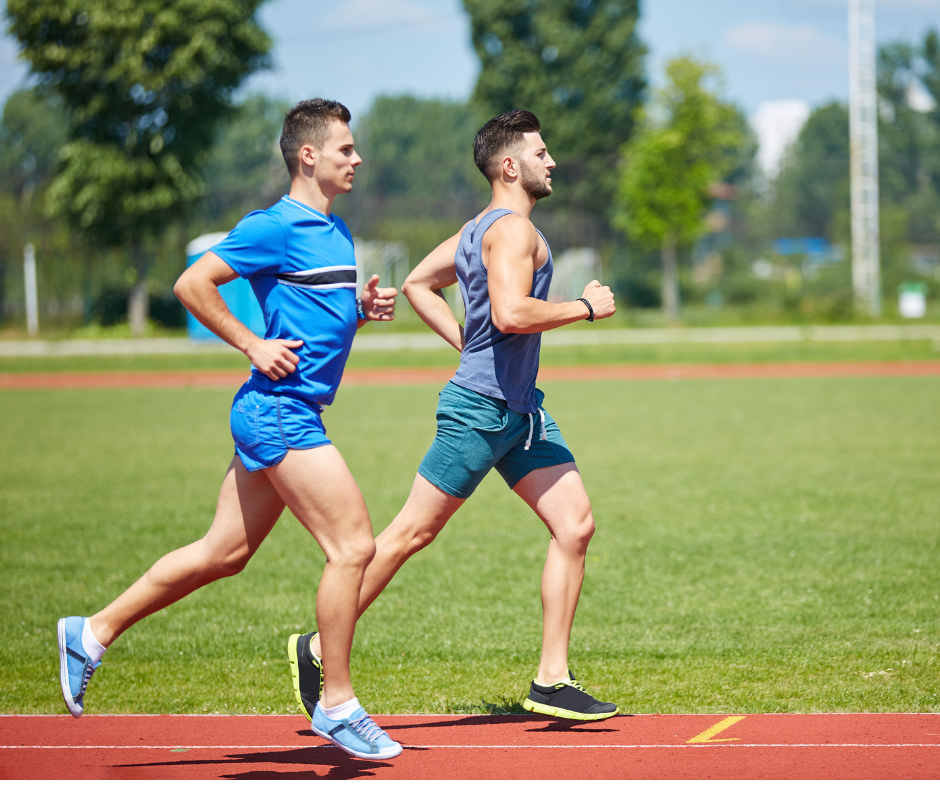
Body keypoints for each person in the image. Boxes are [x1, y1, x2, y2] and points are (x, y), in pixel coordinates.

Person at [57, 98, 404, 761]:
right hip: (280, 411)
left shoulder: (337, 231)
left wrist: (360, 309)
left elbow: (313, 319)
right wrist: (251, 342)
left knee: (223, 554)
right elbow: (193, 284)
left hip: (286, 409)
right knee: (353, 547)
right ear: (309, 156)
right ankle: (337, 704)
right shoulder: (274, 226)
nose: (357, 159)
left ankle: (90, 632)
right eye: (346, 149)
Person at [288, 109, 618, 723]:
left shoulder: (477, 229)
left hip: (520, 412)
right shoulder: (512, 232)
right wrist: (584, 307)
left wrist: (466, 342)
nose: (551, 162)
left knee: (574, 525)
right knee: (410, 534)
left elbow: (418, 283)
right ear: (510, 166)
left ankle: (551, 680)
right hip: (480, 412)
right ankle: (318, 645)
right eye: (541, 153)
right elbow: (511, 315)